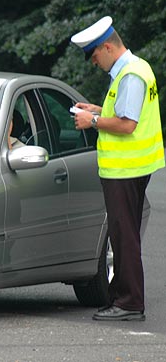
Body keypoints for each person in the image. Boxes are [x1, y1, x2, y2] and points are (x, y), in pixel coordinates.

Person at [70, 16, 165, 321]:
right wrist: (98, 110)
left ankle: (129, 303)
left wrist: (93, 121)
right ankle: (126, 299)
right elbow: (123, 111)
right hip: (132, 168)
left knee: (124, 237)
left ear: (108, 47)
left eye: (95, 56)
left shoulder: (130, 75)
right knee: (124, 235)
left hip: (126, 169)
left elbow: (127, 124)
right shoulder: (135, 68)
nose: (95, 63)